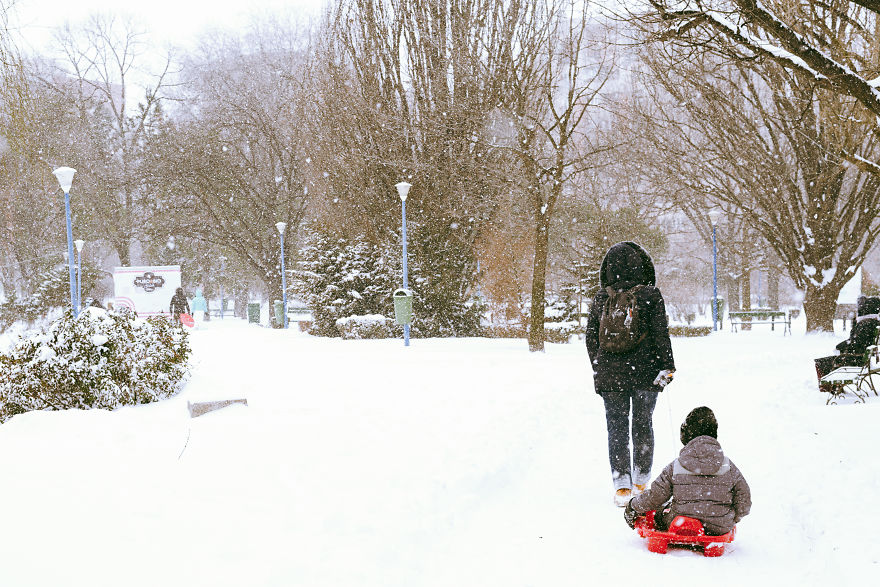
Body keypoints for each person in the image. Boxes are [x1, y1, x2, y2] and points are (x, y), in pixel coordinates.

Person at [585, 241, 676, 507]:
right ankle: (641, 480)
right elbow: (661, 333)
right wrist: (667, 365)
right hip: (645, 371)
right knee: (643, 423)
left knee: (616, 425)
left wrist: (599, 363)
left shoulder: (602, 297)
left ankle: (621, 485)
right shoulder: (651, 294)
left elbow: (591, 337)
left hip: (611, 374)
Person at [624, 406, 751, 536]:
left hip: (679, 521)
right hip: (718, 526)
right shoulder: (728, 466)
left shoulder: (677, 465)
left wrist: (633, 506)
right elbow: (744, 501)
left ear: (686, 434)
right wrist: (729, 517)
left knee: (660, 512)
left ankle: (680, 521)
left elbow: (655, 496)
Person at [815, 295, 880, 386]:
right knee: (825, 361)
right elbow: (857, 341)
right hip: (859, 357)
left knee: (821, 363)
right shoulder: (871, 323)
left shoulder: (865, 324)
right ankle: (834, 387)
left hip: (856, 359)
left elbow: (856, 343)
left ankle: (830, 388)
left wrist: (840, 346)